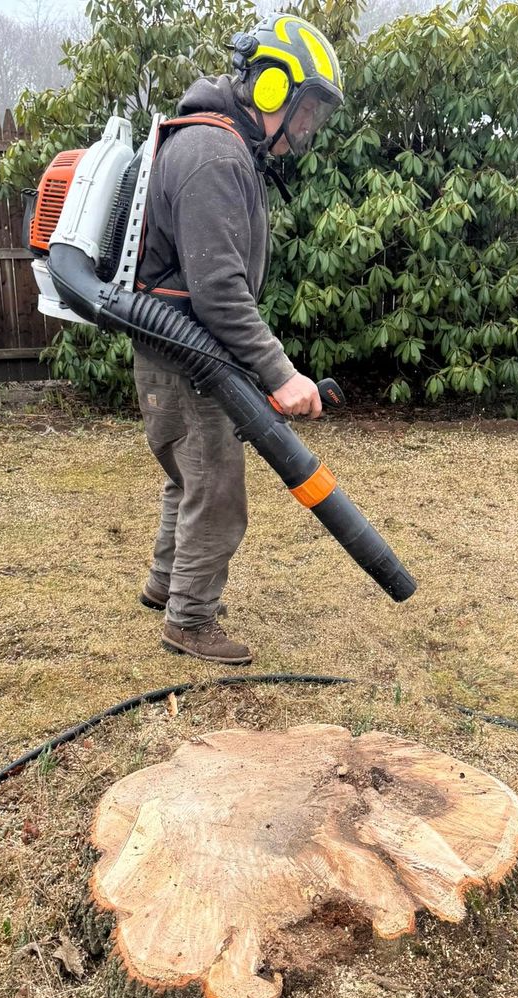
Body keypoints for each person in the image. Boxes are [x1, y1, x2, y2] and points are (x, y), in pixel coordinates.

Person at [133, 13, 344, 666]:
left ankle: (167, 584)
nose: (307, 129)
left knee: (188, 477)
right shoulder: (214, 155)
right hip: (187, 358)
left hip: (176, 353)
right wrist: (281, 375)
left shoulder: (213, 144)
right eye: (306, 111)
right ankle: (190, 621)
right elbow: (219, 293)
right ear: (273, 89)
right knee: (218, 491)